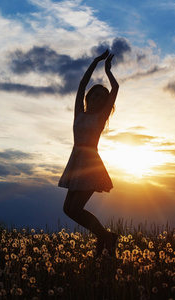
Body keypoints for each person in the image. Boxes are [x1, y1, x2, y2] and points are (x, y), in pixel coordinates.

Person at [58, 49, 119, 257]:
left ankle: (106, 237)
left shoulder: (100, 118)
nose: (99, 98)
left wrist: (108, 71)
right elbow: (82, 84)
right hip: (76, 161)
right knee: (68, 210)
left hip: (91, 165)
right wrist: (95, 61)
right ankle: (106, 236)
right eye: (96, 95)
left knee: (75, 209)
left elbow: (115, 88)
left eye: (103, 98)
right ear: (89, 96)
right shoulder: (79, 113)